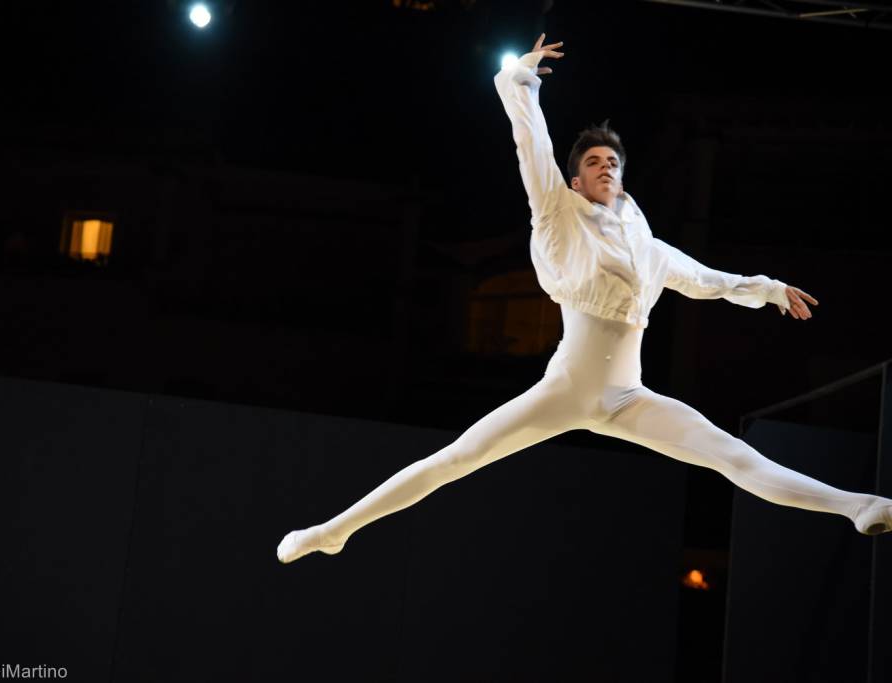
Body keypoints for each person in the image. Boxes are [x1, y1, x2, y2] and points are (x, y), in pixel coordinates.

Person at [276, 33, 892, 564]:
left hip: (628, 398)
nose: (605, 168)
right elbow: (530, 143)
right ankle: (334, 531)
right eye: (594, 161)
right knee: (455, 458)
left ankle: (859, 505)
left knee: (734, 458)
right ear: (575, 178)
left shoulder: (646, 245)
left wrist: (767, 289)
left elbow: (706, 279)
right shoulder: (557, 211)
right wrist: (518, 78)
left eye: (613, 162)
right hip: (564, 389)